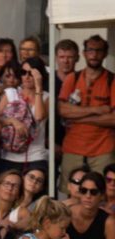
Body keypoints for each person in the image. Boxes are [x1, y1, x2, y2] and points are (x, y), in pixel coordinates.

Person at [58, 35, 115, 191]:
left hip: (102, 150)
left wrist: (78, 117)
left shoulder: (112, 80)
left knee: (101, 195)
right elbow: (62, 110)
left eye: (98, 50)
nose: (94, 54)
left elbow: (113, 119)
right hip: (72, 148)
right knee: (70, 195)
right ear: (84, 53)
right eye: (90, 50)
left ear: (105, 53)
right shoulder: (72, 78)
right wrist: (96, 110)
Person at [0, 57, 49, 175]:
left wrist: (39, 87)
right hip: (9, 155)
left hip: (35, 155)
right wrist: (13, 121)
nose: (26, 76)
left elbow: (39, 117)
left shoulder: (46, 97)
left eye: (31, 73)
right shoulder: (11, 93)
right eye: (23, 72)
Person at [54, 39, 80, 158]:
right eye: (62, 57)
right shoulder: (46, 82)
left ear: (77, 58)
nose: (65, 61)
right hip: (50, 143)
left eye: (70, 57)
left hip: (77, 143)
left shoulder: (83, 81)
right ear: (56, 58)